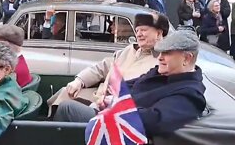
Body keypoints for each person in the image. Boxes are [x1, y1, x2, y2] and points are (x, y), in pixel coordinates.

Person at [54, 30, 206, 137]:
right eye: (160, 53)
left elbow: (154, 120)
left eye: (167, 53)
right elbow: (131, 85)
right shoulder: (161, 73)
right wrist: (109, 99)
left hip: (122, 134)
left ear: (186, 58)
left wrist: (114, 107)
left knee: (67, 109)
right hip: (115, 117)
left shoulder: (189, 94)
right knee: (66, 98)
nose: (160, 57)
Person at [47, 13, 169, 114]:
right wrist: (79, 81)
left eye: (144, 30)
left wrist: (111, 102)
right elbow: (102, 67)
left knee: (67, 108)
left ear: (159, 33)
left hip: (114, 111)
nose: (139, 34)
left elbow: (145, 96)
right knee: (65, 93)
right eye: (137, 30)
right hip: (98, 97)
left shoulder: (162, 62)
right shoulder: (129, 50)